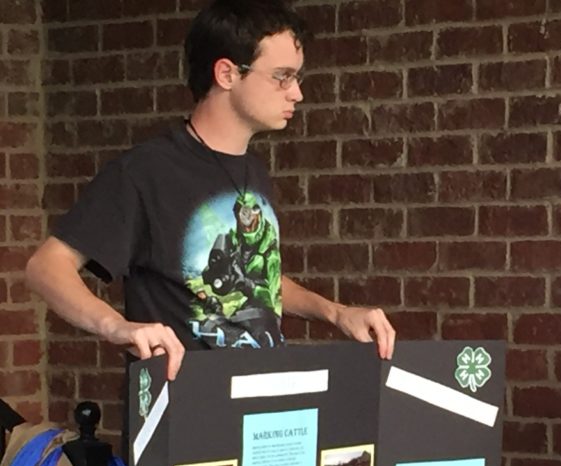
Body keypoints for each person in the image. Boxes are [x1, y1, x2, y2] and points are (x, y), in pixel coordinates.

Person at [24, 0, 395, 382]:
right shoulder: (145, 172)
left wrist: (336, 313)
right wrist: (118, 326)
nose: (296, 93)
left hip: (261, 408)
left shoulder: (251, 169)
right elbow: (46, 267)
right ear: (226, 73)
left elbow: (259, 284)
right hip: (186, 417)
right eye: (282, 77)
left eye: (297, 77)